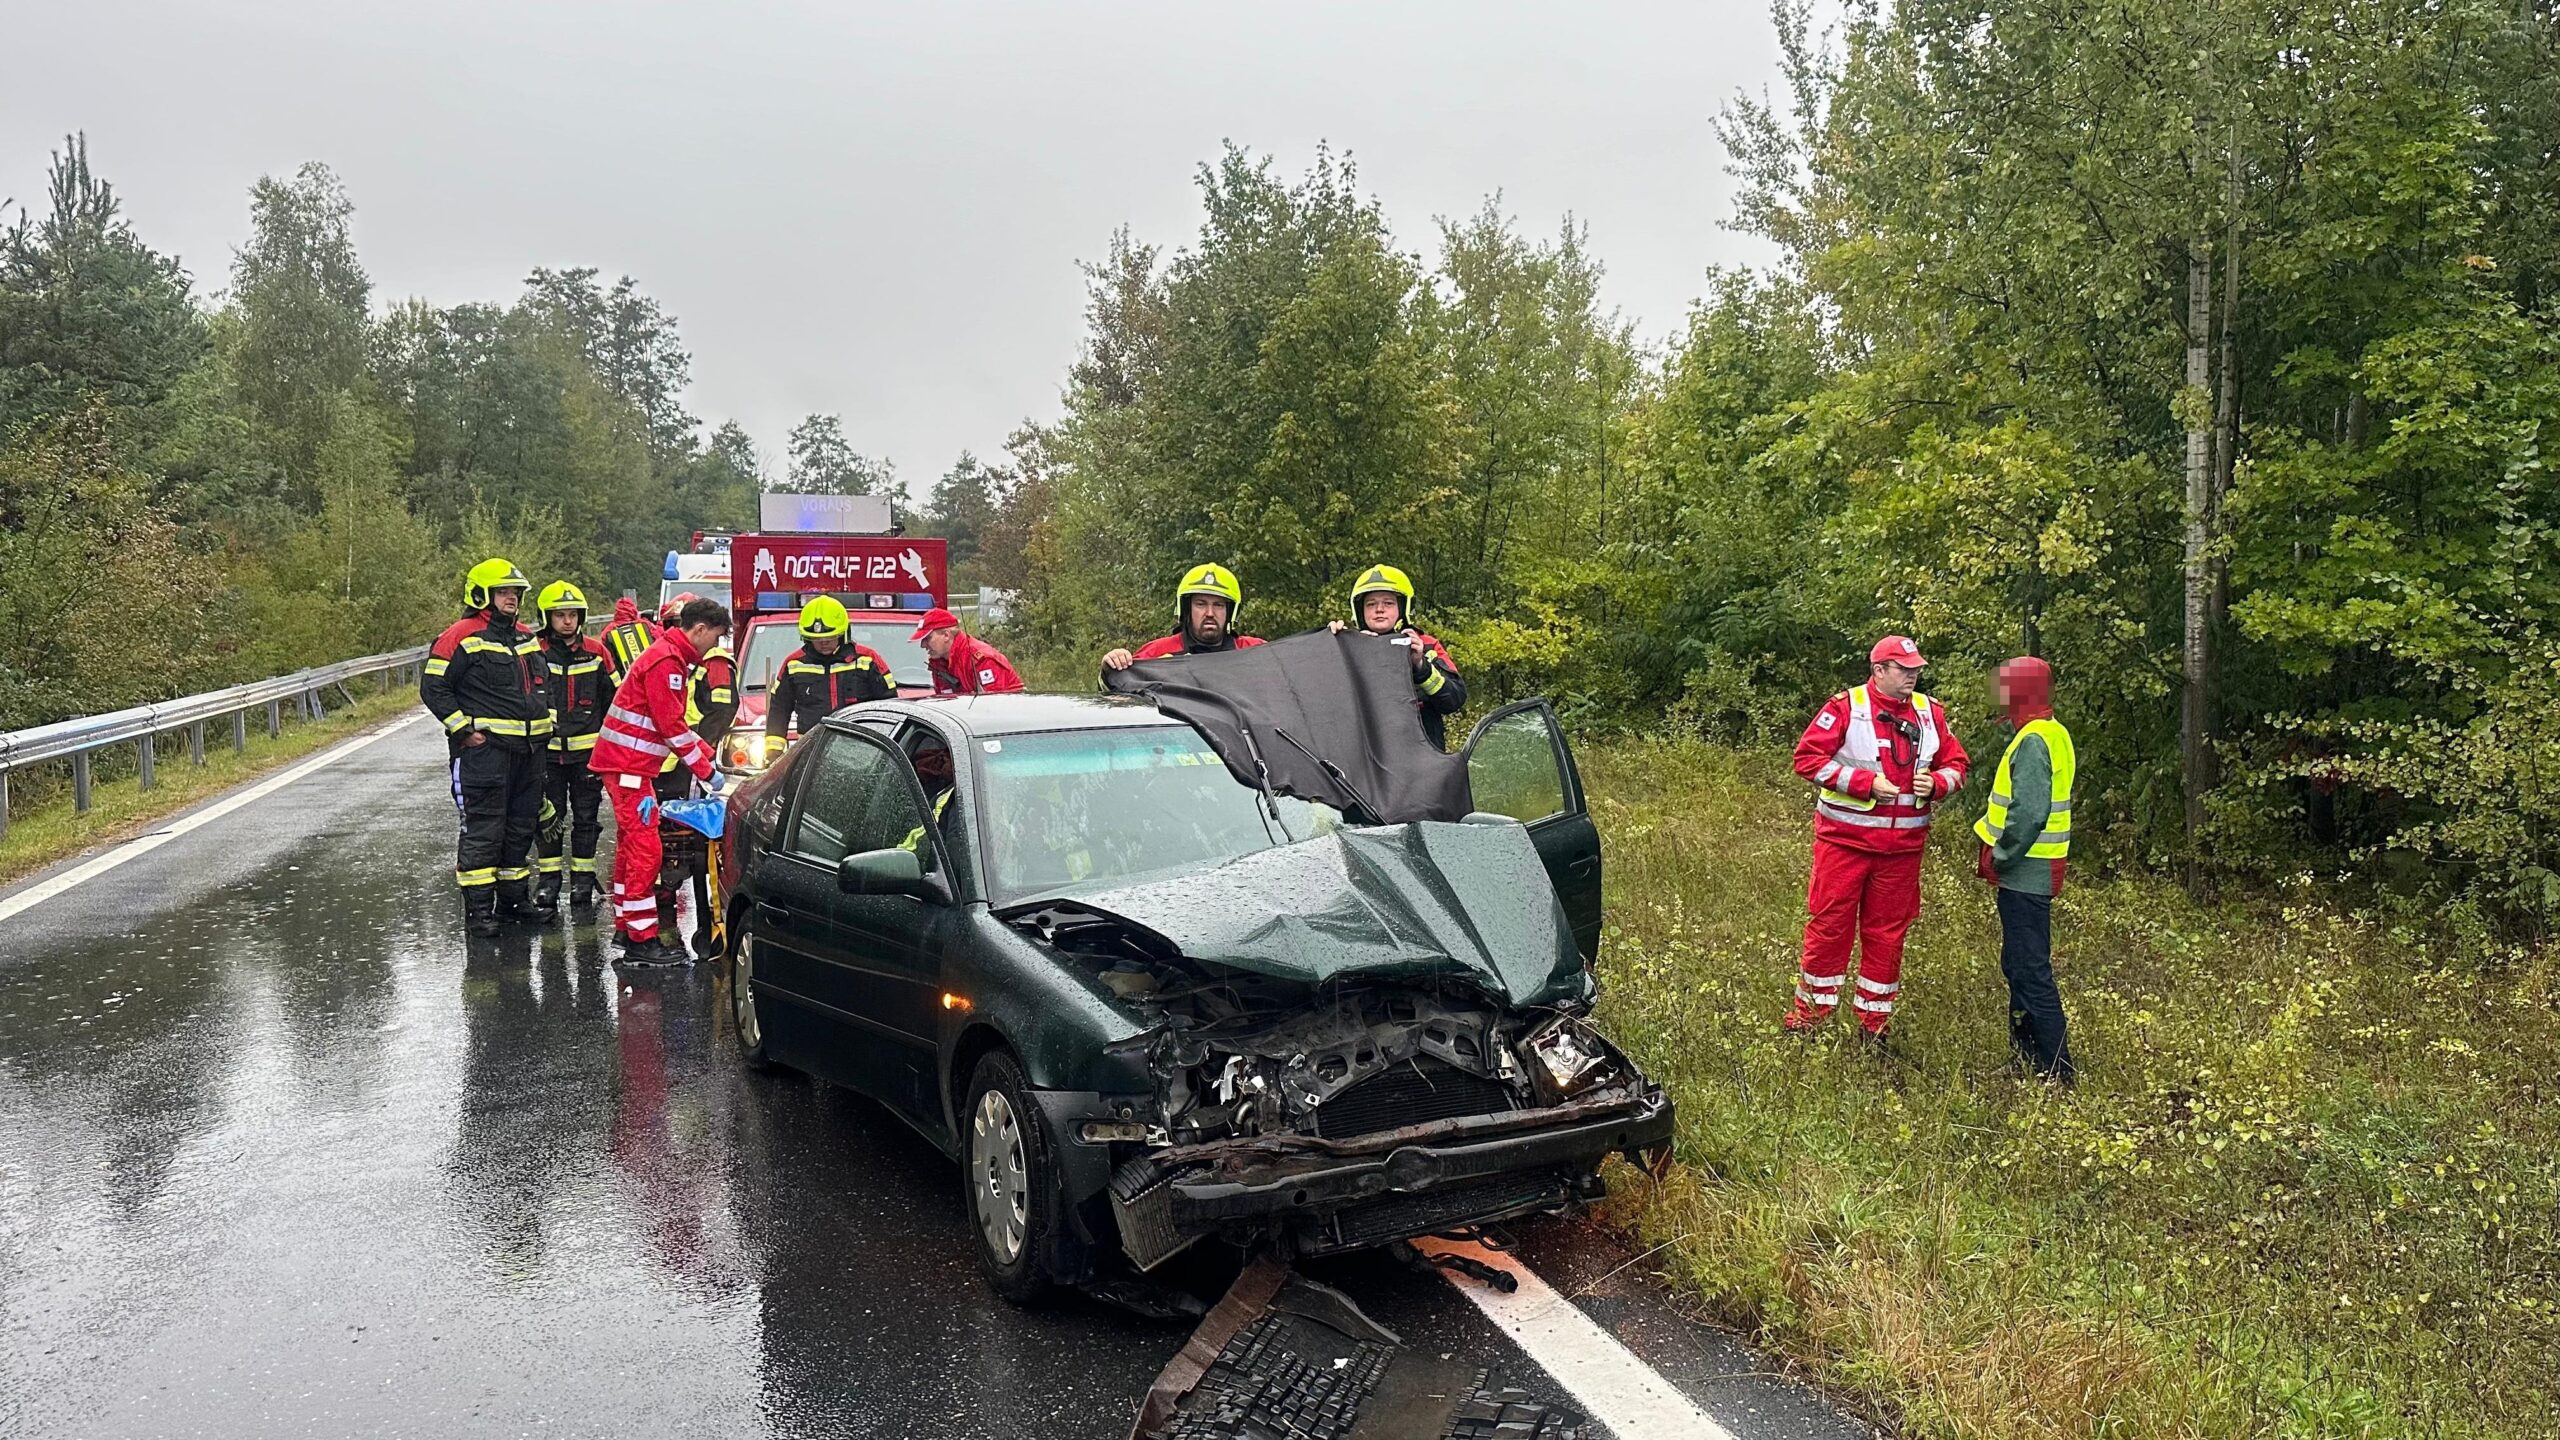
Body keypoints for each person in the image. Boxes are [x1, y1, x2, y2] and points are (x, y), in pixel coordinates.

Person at [1785, 636, 1970, 1038]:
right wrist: (1862, 783)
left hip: (1902, 852)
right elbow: (1807, 759)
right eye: (1904, 669)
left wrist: (1938, 782)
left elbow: (1957, 764)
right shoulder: (1846, 707)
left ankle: (1875, 1025)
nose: (1913, 676)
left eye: (1917, 669)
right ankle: (1808, 1020)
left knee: (1888, 934)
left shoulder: (1929, 712)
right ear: (1879, 670)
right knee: (1830, 927)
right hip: (1845, 846)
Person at [591, 596, 730, 964]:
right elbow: (670, 726)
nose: (714, 646)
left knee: (629, 848)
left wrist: (705, 752)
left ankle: (627, 927)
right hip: (629, 768)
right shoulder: (668, 662)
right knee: (645, 850)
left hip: (629, 766)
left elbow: (672, 724)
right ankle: (641, 940)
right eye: (714, 638)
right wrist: (707, 772)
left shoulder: (668, 655)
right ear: (699, 630)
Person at [422, 559, 556, 938]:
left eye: (515, 592)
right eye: (503, 592)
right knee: (484, 830)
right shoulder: (460, 635)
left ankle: (514, 903)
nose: (512, 597)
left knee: (520, 828)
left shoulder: (527, 635)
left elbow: (541, 686)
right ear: (481, 594)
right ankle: (479, 913)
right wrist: (463, 730)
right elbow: (434, 688)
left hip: (529, 752)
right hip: (485, 753)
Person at [1975, 655, 2076, 1082]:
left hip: (2026, 870)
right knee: (2018, 964)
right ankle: (2028, 1059)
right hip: (2030, 870)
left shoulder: (2035, 740)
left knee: (2031, 969)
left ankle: (2056, 1071)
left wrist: (2001, 856)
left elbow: (2030, 813)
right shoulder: (2047, 732)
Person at [652, 620, 740, 958]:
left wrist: (697, 749)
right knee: (663, 839)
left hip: (687, 763)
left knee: (686, 842)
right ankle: (664, 916)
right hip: (668, 758)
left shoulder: (713, 661)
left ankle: (695, 921)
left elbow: (721, 709)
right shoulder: (670, 658)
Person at [531, 581, 611, 913]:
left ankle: (582, 880)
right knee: (550, 819)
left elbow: (614, 700)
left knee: (587, 819)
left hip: (587, 756)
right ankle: (549, 883)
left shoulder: (596, 652)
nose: (567, 621)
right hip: (546, 755)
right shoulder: (533, 651)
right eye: (560, 615)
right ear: (547, 618)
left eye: (572, 615)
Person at [1327, 563, 1466, 749]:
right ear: (1360, 611)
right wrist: (1332, 646)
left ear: (1403, 607)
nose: (1379, 609)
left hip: (1423, 760)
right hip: (1367, 760)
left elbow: (1454, 701)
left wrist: (1421, 667)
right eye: (1371, 604)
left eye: (1388, 603)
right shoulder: (1346, 646)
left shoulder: (1426, 645)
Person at [768, 596, 896, 741]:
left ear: (842, 634)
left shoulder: (866, 660)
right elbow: (779, 711)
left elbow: (889, 706)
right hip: (812, 748)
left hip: (860, 747)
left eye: (829, 638)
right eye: (817, 640)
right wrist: (773, 752)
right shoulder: (794, 665)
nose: (823, 644)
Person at [1100, 563, 1265, 675]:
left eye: (1218, 605)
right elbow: (1119, 701)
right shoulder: (1157, 653)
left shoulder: (1256, 652)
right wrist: (1111, 668)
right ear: (1186, 609)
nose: (1209, 613)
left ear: (1230, 612)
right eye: (1200, 604)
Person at [913, 607, 1025, 697]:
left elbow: (995, 708)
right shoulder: (939, 665)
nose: (923, 645)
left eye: (927, 638)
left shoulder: (981, 660)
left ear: (946, 635)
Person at [600, 596, 656, 684]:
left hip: (623, 681)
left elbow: (604, 656)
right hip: (650, 675)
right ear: (634, 610)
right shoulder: (646, 625)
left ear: (617, 612)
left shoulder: (608, 631)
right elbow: (660, 641)